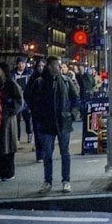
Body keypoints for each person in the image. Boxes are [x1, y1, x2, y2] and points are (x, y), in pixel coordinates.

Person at [29, 56, 79, 194]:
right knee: (48, 154)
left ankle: (66, 180)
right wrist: (38, 117)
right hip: (47, 123)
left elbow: (75, 98)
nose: (61, 67)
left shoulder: (66, 80)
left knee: (65, 153)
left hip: (63, 122)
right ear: (50, 66)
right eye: (58, 65)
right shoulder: (40, 82)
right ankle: (48, 181)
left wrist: (72, 115)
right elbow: (32, 100)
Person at [0, 60, 23, 182]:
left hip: (7, 121)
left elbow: (19, 101)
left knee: (7, 147)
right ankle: (1, 172)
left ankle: (8, 173)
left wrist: (9, 110)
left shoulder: (11, 84)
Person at [24, 58, 46, 162]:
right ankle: (40, 155)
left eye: (42, 66)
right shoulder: (33, 79)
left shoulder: (48, 78)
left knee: (46, 132)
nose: (41, 68)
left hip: (46, 110)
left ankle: (45, 152)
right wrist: (30, 106)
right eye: (39, 66)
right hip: (36, 109)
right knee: (37, 132)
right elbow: (27, 93)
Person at [11, 56, 34, 143]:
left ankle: (29, 134)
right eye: (19, 63)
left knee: (28, 118)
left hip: (26, 99)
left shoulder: (29, 73)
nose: (21, 65)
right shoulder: (13, 73)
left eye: (23, 63)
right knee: (16, 119)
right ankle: (17, 138)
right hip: (17, 99)